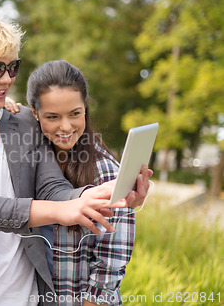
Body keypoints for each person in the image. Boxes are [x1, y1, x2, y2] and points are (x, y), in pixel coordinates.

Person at [0, 14, 150, 305]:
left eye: (12, 67)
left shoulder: (25, 123)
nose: (6, 79)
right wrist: (59, 211)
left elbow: (53, 189)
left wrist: (98, 196)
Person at [25, 60, 135, 306]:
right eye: (52, 117)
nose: (66, 126)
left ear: (85, 108)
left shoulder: (106, 172)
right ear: (34, 113)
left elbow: (110, 265)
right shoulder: (25, 165)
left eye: (75, 114)